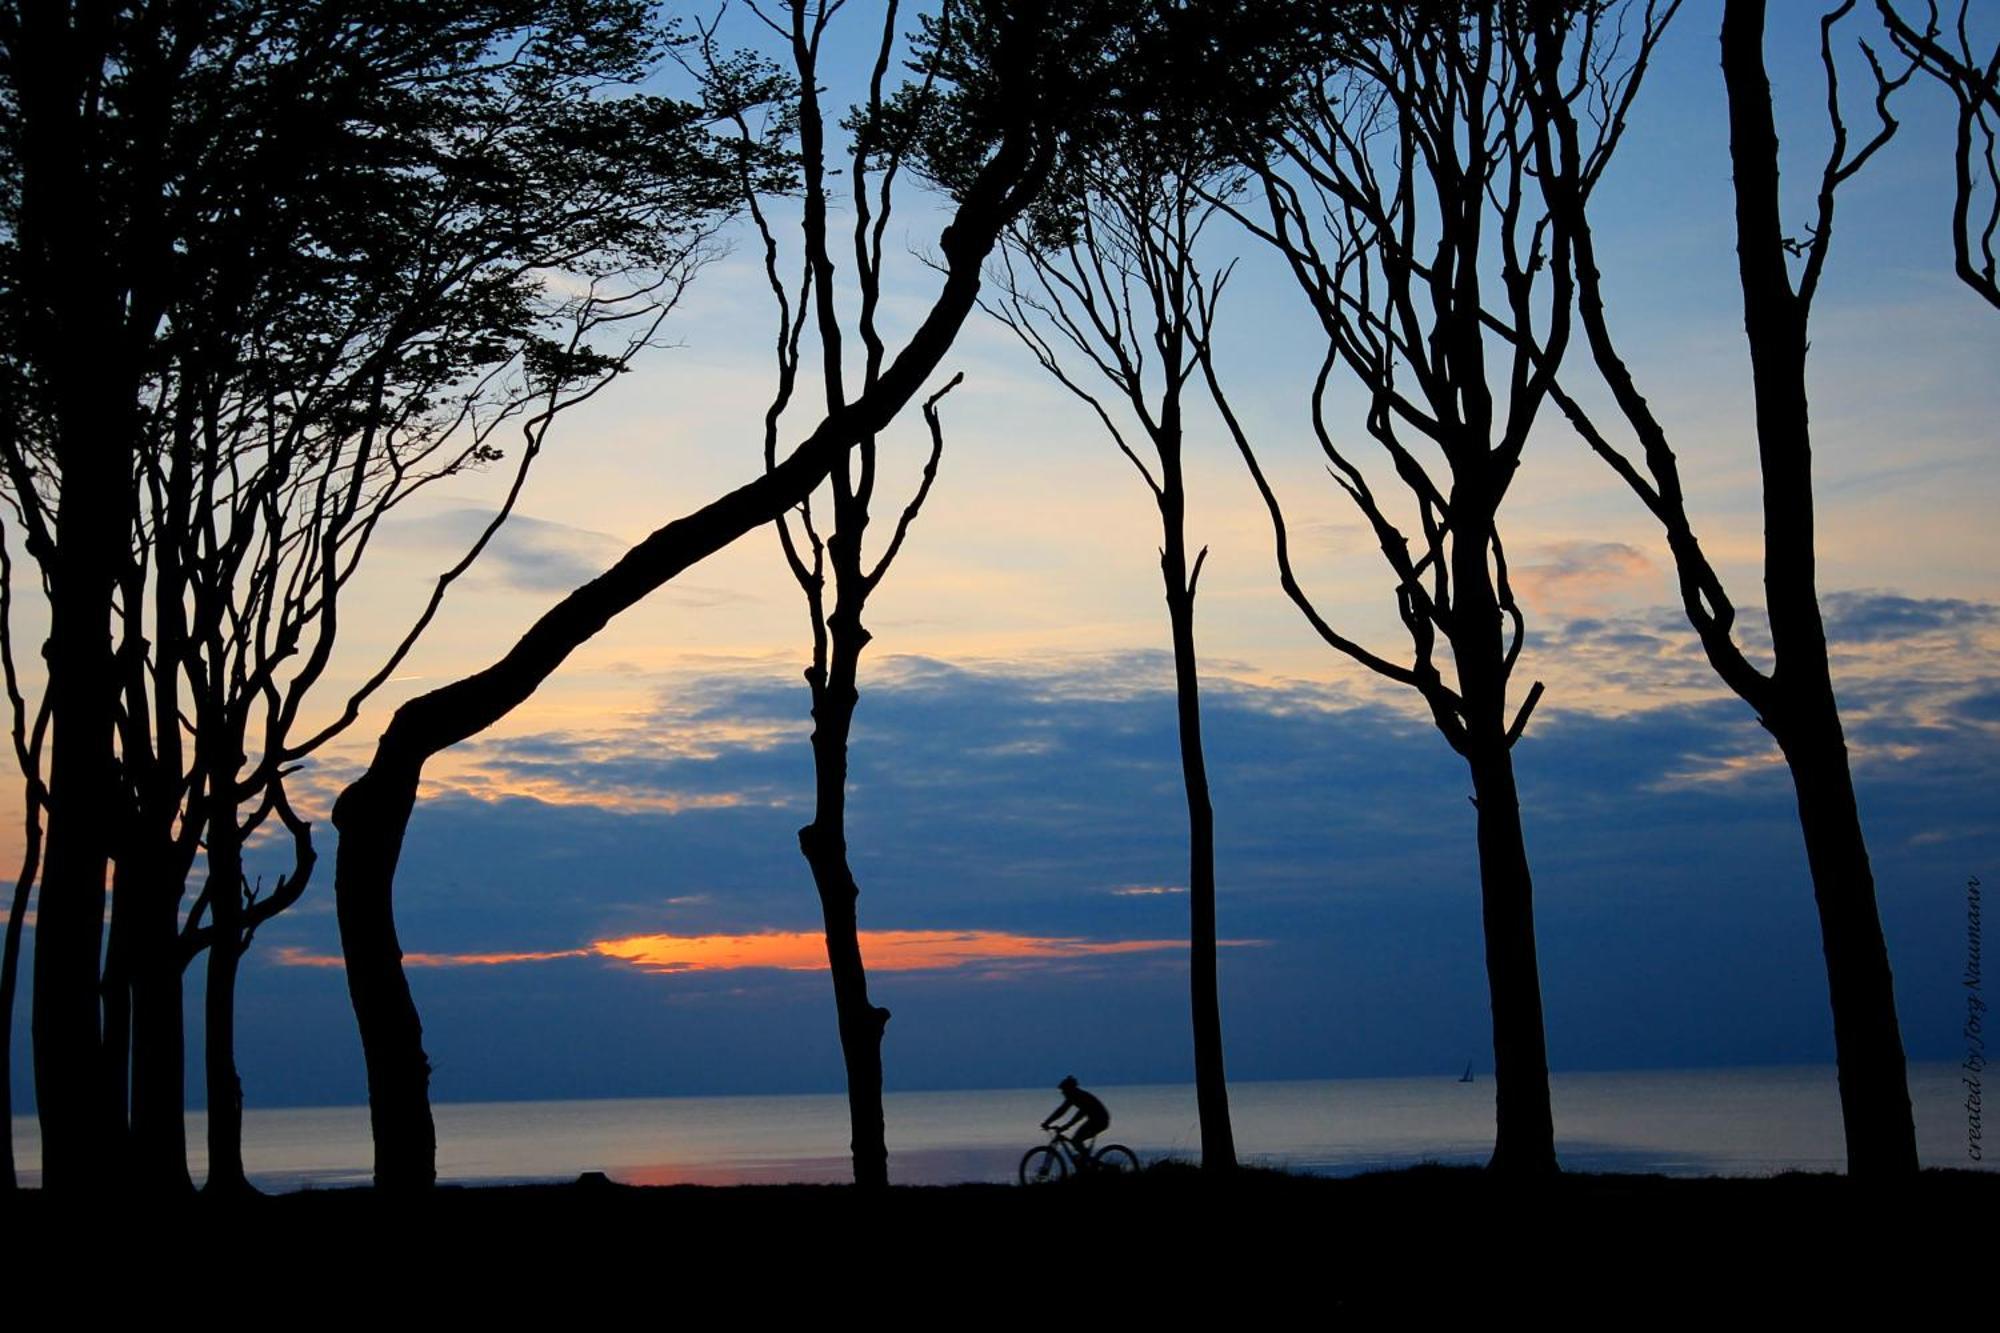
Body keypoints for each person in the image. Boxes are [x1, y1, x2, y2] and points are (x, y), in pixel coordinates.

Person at [1041, 1075, 1110, 1156]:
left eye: (1064, 1091)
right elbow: (1061, 1111)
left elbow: (1080, 1114)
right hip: (1094, 1120)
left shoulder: (1080, 1096)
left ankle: (1088, 1163)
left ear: (1069, 1089)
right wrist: (1047, 1122)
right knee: (1076, 1141)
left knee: (1076, 1140)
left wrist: (1067, 1126)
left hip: (1100, 1121)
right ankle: (1085, 1160)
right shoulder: (1073, 1097)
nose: (1063, 1093)